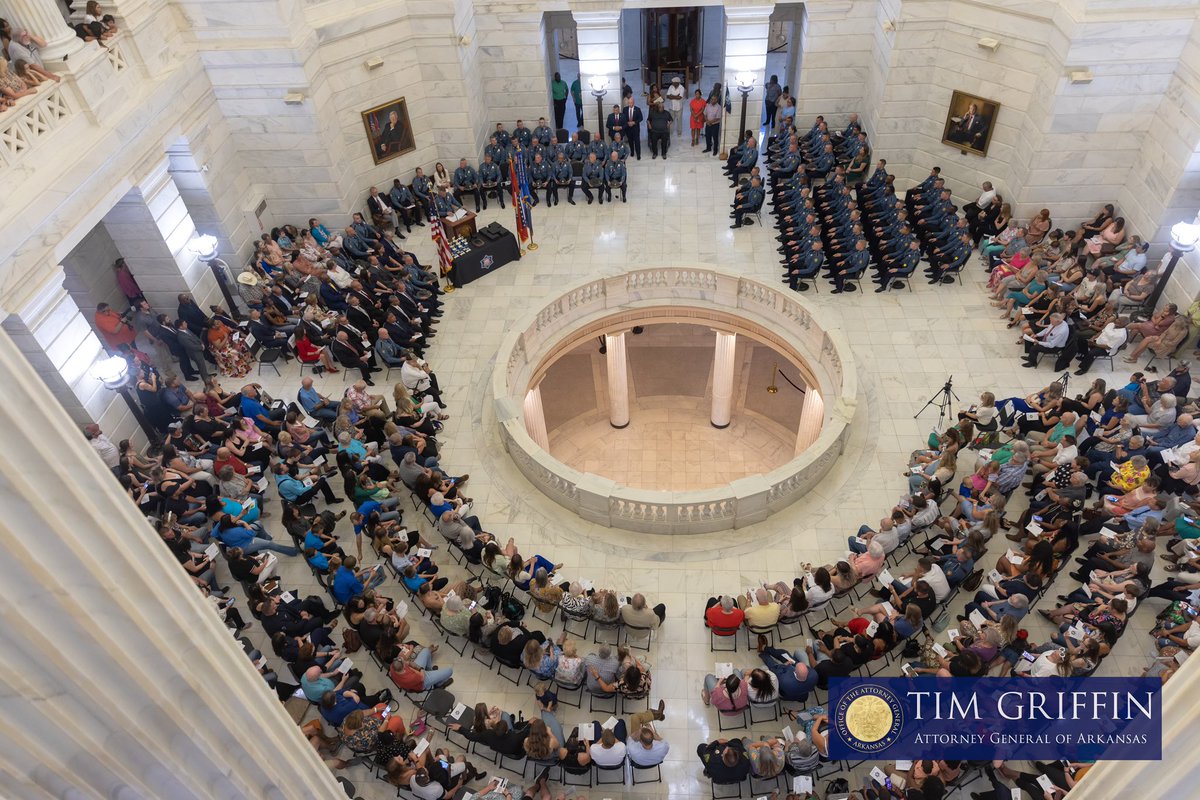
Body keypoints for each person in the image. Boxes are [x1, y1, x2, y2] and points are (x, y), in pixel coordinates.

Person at [621, 96, 643, 160]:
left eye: (631, 103)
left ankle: (638, 154)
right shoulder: (625, 109)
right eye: (629, 103)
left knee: (637, 142)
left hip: (635, 128)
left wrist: (634, 122)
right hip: (628, 128)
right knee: (630, 141)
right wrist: (627, 122)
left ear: (633, 103)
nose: (630, 104)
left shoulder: (638, 109)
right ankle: (632, 152)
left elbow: (641, 118)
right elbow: (623, 118)